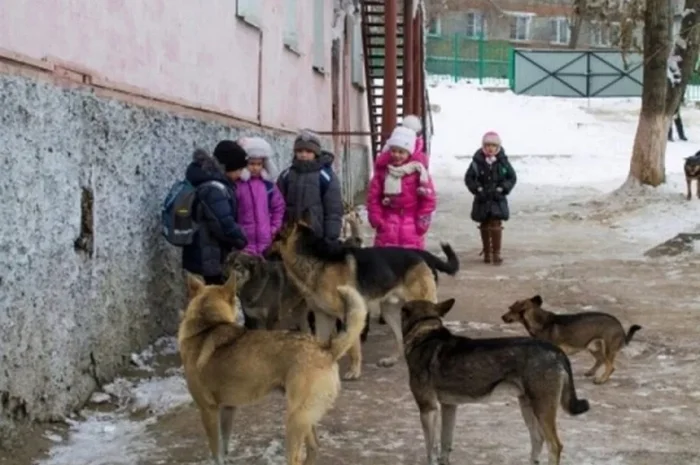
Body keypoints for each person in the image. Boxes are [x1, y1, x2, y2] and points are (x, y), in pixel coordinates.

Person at [181, 140, 248, 284]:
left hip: (203, 253)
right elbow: (224, 225)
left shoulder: (211, 182)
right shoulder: (214, 190)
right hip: (208, 258)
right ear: (229, 167)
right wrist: (242, 239)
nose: (241, 174)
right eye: (239, 169)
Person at [367, 125, 436, 250]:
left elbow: (429, 199)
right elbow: (374, 197)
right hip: (387, 224)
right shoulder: (383, 172)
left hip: (412, 225)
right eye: (394, 151)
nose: (396, 155)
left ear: (409, 153)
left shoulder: (418, 172)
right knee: (386, 263)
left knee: (411, 264)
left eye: (401, 152)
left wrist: (422, 221)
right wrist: (377, 218)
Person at [277, 130, 343, 242]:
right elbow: (277, 204)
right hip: (290, 234)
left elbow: (333, 210)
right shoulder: (286, 175)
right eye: (299, 151)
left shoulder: (326, 176)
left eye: (308, 151)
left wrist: (331, 236)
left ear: (316, 153)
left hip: (315, 235)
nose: (303, 154)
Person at [464, 131, 517, 265]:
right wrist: (477, 189)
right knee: (484, 224)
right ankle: (487, 252)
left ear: (498, 146)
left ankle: (496, 253)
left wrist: (503, 188)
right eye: (487, 145)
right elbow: (469, 178)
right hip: (482, 198)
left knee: (496, 224)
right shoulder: (477, 161)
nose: (490, 148)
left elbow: (512, 177)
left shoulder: (502, 162)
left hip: (497, 198)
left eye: (493, 145)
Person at [235, 136, 286, 256]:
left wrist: (273, 228)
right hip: (244, 241)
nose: (255, 168)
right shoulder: (238, 185)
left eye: (259, 164)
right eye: (251, 163)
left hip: (266, 241)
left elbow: (278, 207)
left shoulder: (268, 186)